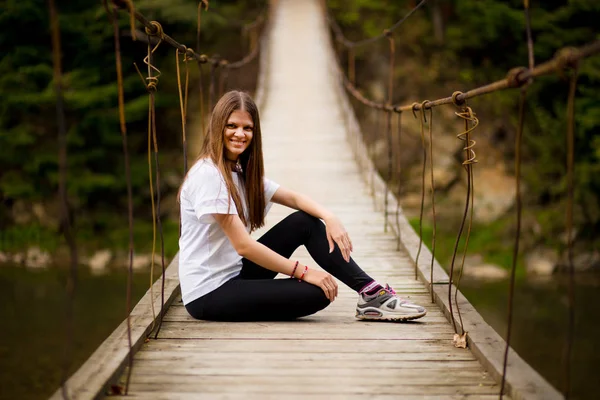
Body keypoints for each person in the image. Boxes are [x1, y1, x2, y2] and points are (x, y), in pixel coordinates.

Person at [178, 90, 427, 322]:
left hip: (235, 273)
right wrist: (303, 271)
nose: (240, 134)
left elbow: (295, 199)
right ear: (217, 127)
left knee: (304, 221)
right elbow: (244, 246)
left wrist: (330, 217)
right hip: (209, 292)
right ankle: (371, 298)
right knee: (318, 292)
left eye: (247, 128)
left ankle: (371, 293)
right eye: (231, 126)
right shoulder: (208, 175)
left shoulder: (240, 171)